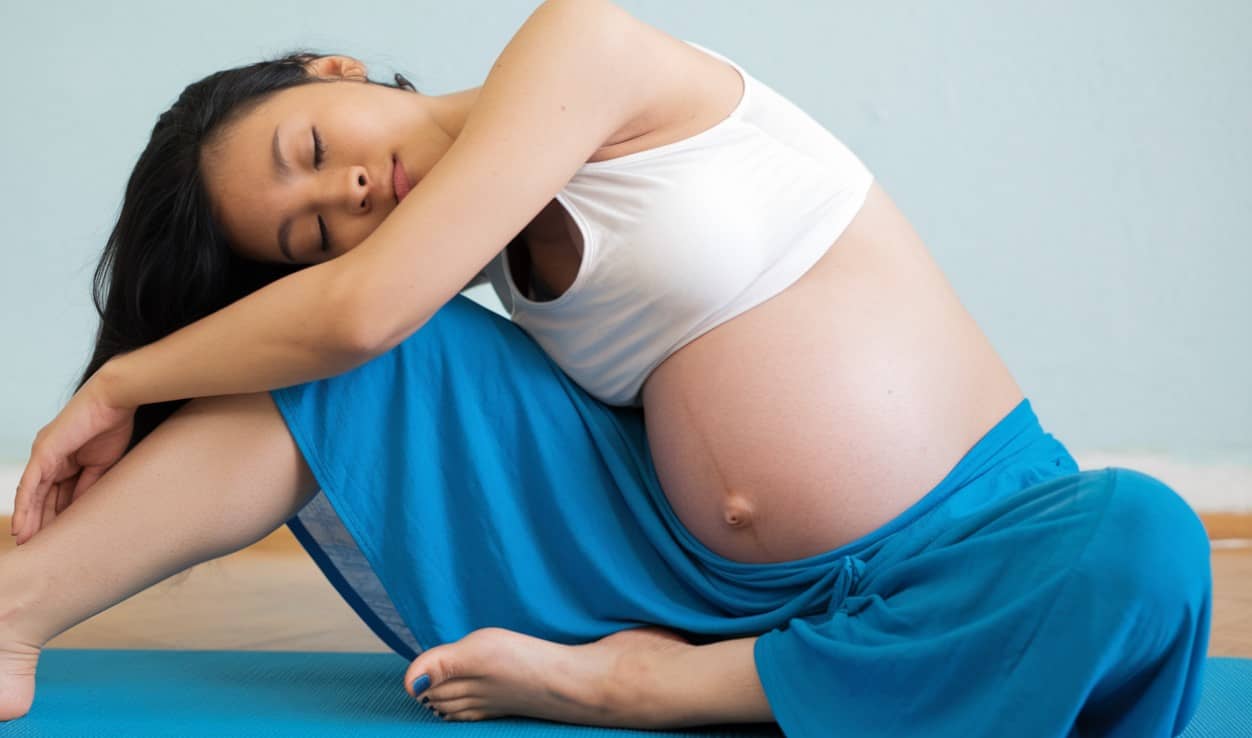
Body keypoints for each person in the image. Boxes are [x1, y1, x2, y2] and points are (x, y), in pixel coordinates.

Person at [4, 0, 1211, 735]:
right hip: (669, 573)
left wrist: (120, 385)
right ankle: (14, 613)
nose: (350, 190)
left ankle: (655, 693)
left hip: (970, 554)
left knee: (1143, 541)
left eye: (312, 148)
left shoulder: (584, 45)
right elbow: (351, 324)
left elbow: (359, 306)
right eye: (313, 229)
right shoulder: (440, 274)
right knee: (347, 360)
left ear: (332, 68)